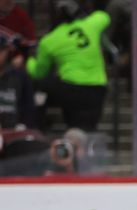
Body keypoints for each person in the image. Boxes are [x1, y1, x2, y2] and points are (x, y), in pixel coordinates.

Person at [26, 0, 109, 131]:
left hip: (72, 90)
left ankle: (36, 127)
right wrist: (84, 16)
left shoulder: (49, 40)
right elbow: (104, 16)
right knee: (86, 130)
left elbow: (38, 73)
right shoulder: (91, 25)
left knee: (40, 86)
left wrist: (28, 61)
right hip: (98, 90)